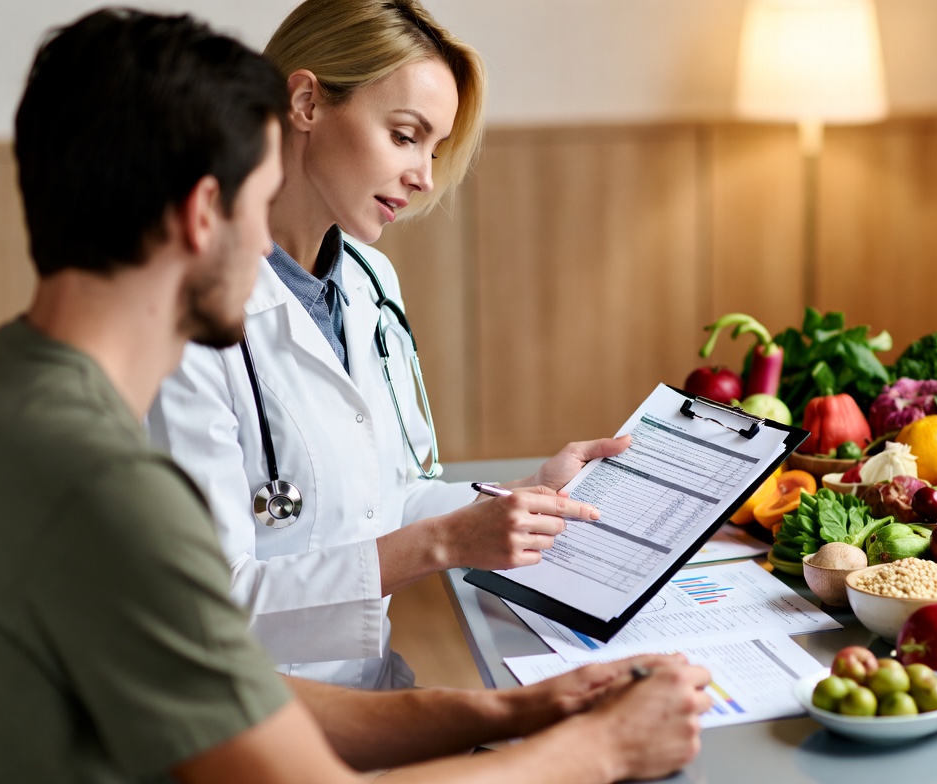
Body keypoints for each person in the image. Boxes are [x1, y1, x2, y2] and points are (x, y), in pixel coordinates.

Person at [0, 8, 712, 783]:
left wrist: (519, 712)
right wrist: (601, 749)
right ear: (202, 215)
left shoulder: (8, 390)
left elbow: (242, 699)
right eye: (256, 199)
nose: (269, 248)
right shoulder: (106, 488)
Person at [146, 0, 630, 690]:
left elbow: (390, 499)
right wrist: (443, 543)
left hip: (365, 690)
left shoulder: (370, 279)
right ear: (307, 101)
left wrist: (522, 496)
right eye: (406, 136)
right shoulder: (187, 311)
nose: (425, 176)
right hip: (245, 717)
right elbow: (211, 611)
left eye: (434, 150)